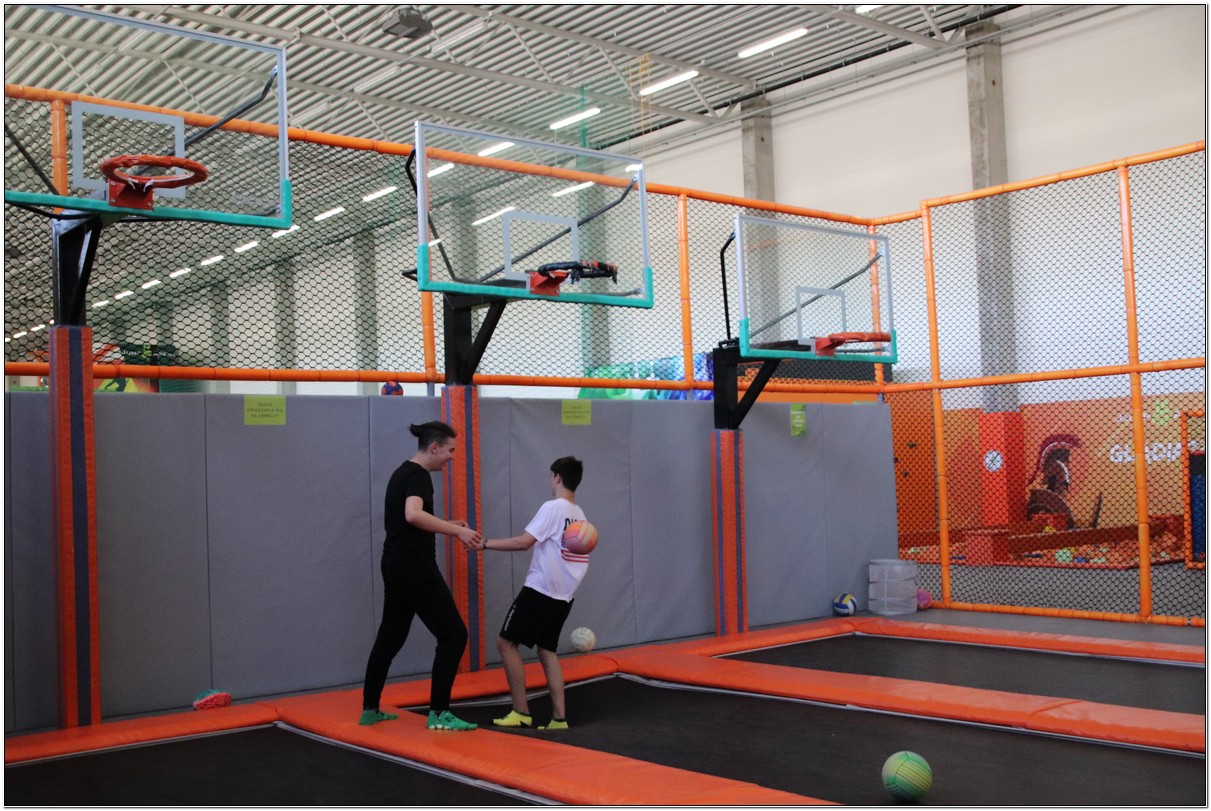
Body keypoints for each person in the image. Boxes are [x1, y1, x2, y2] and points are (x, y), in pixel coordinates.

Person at [360, 421, 482, 731]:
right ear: (434, 448)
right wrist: (456, 531)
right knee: (453, 635)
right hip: (415, 567)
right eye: (450, 450)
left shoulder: (402, 472)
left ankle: (370, 709)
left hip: (395, 564)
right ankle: (439, 712)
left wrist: (448, 522)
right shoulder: (419, 476)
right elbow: (412, 514)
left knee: (390, 637)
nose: (452, 456)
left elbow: (410, 520)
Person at [474, 456, 589, 730]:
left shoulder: (553, 508)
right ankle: (559, 719)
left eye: (551, 477)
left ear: (557, 477)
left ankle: (521, 712)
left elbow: (524, 542)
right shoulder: (579, 514)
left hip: (541, 590)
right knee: (547, 650)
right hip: (564, 595)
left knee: (505, 643)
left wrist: (485, 544)